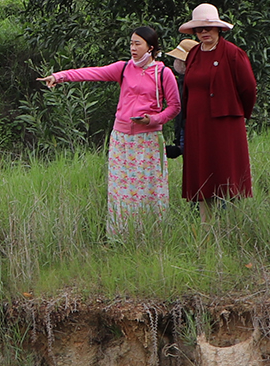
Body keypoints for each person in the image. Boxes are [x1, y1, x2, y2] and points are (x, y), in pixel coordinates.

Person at [40, 26, 182, 237]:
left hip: (148, 139)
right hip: (121, 138)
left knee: (147, 189)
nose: (132, 48)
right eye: (131, 43)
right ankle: (122, 235)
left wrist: (153, 119)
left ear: (150, 48)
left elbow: (174, 106)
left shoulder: (164, 73)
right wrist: (59, 77)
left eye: (137, 44)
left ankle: (151, 235)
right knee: (121, 190)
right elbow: (91, 73)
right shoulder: (124, 68)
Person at [174, 4, 256, 201]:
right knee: (202, 178)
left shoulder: (233, 53)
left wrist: (235, 112)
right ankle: (205, 227)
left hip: (225, 124)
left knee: (226, 175)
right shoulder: (193, 54)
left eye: (208, 28)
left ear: (218, 28)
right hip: (197, 125)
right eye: (199, 29)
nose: (204, 32)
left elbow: (249, 88)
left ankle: (230, 224)